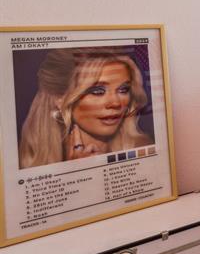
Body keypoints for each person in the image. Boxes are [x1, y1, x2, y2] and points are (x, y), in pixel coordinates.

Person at [18, 48, 154, 169]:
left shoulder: (145, 152)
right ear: (59, 98)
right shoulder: (26, 164)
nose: (116, 103)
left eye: (123, 89)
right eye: (98, 91)